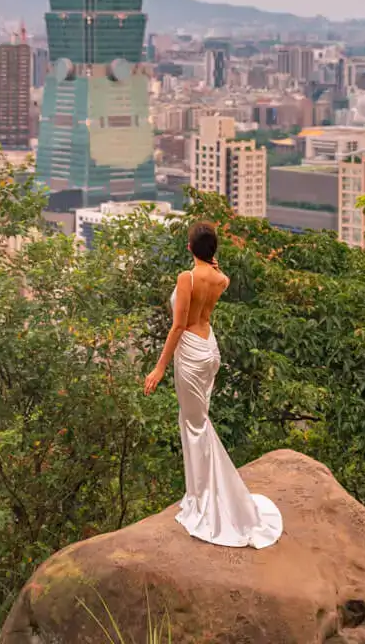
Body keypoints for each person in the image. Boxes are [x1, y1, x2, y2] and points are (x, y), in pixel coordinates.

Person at [143, 220, 283, 549]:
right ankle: (199, 492)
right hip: (210, 351)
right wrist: (213, 264)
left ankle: (205, 500)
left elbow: (178, 326)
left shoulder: (186, 278)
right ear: (213, 252)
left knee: (194, 425)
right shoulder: (221, 279)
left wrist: (159, 367)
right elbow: (215, 283)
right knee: (196, 421)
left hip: (190, 352)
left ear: (190, 248)